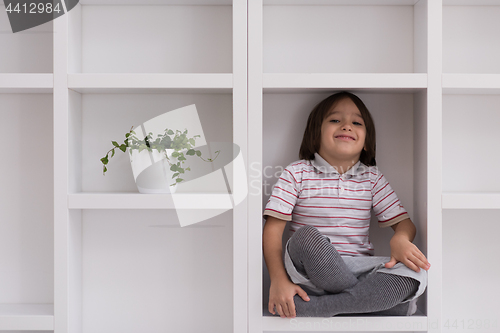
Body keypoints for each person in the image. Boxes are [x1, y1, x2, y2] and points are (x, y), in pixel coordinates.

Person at [262, 91, 430, 318]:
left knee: (417, 271)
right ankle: (375, 304)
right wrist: (278, 280)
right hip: (309, 273)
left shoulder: (372, 178)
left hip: (359, 270)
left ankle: (320, 307)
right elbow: (273, 231)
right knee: (305, 237)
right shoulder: (297, 172)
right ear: (315, 133)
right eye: (335, 120)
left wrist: (399, 239)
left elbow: (405, 225)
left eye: (356, 122)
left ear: (367, 142)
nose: (346, 126)